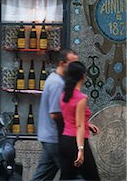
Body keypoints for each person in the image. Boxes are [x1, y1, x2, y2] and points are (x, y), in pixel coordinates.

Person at [32, 49, 78, 181]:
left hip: (50, 138)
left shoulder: (55, 79)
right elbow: (56, 114)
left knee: (43, 176)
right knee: (75, 175)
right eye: (72, 63)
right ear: (62, 63)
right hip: (56, 138)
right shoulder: (57, 83)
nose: (75, 67)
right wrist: (75, 124)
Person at [59, 61, 100, 180]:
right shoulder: (81, 98)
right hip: (77, 142)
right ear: (82, 76)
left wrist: (88, 124)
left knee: (66, 177)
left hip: (65, 141)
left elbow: (69, 117)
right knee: (93, 178)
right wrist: (80, 150)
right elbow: (79, 126)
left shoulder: (63, 96)